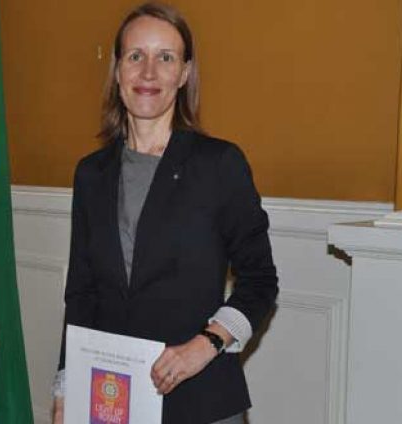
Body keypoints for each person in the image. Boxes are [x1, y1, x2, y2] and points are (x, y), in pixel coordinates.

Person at [52, 3, 278, 424]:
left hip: (202, 399)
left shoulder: (220, 165)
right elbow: (81, 294)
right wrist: (67, 387)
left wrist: (207, 344)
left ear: (185, 73)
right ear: (118, 70)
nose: (149, 72)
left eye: (166, 57)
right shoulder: (90, 174)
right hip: (112, 398)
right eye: (136, 56)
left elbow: (261, 280)